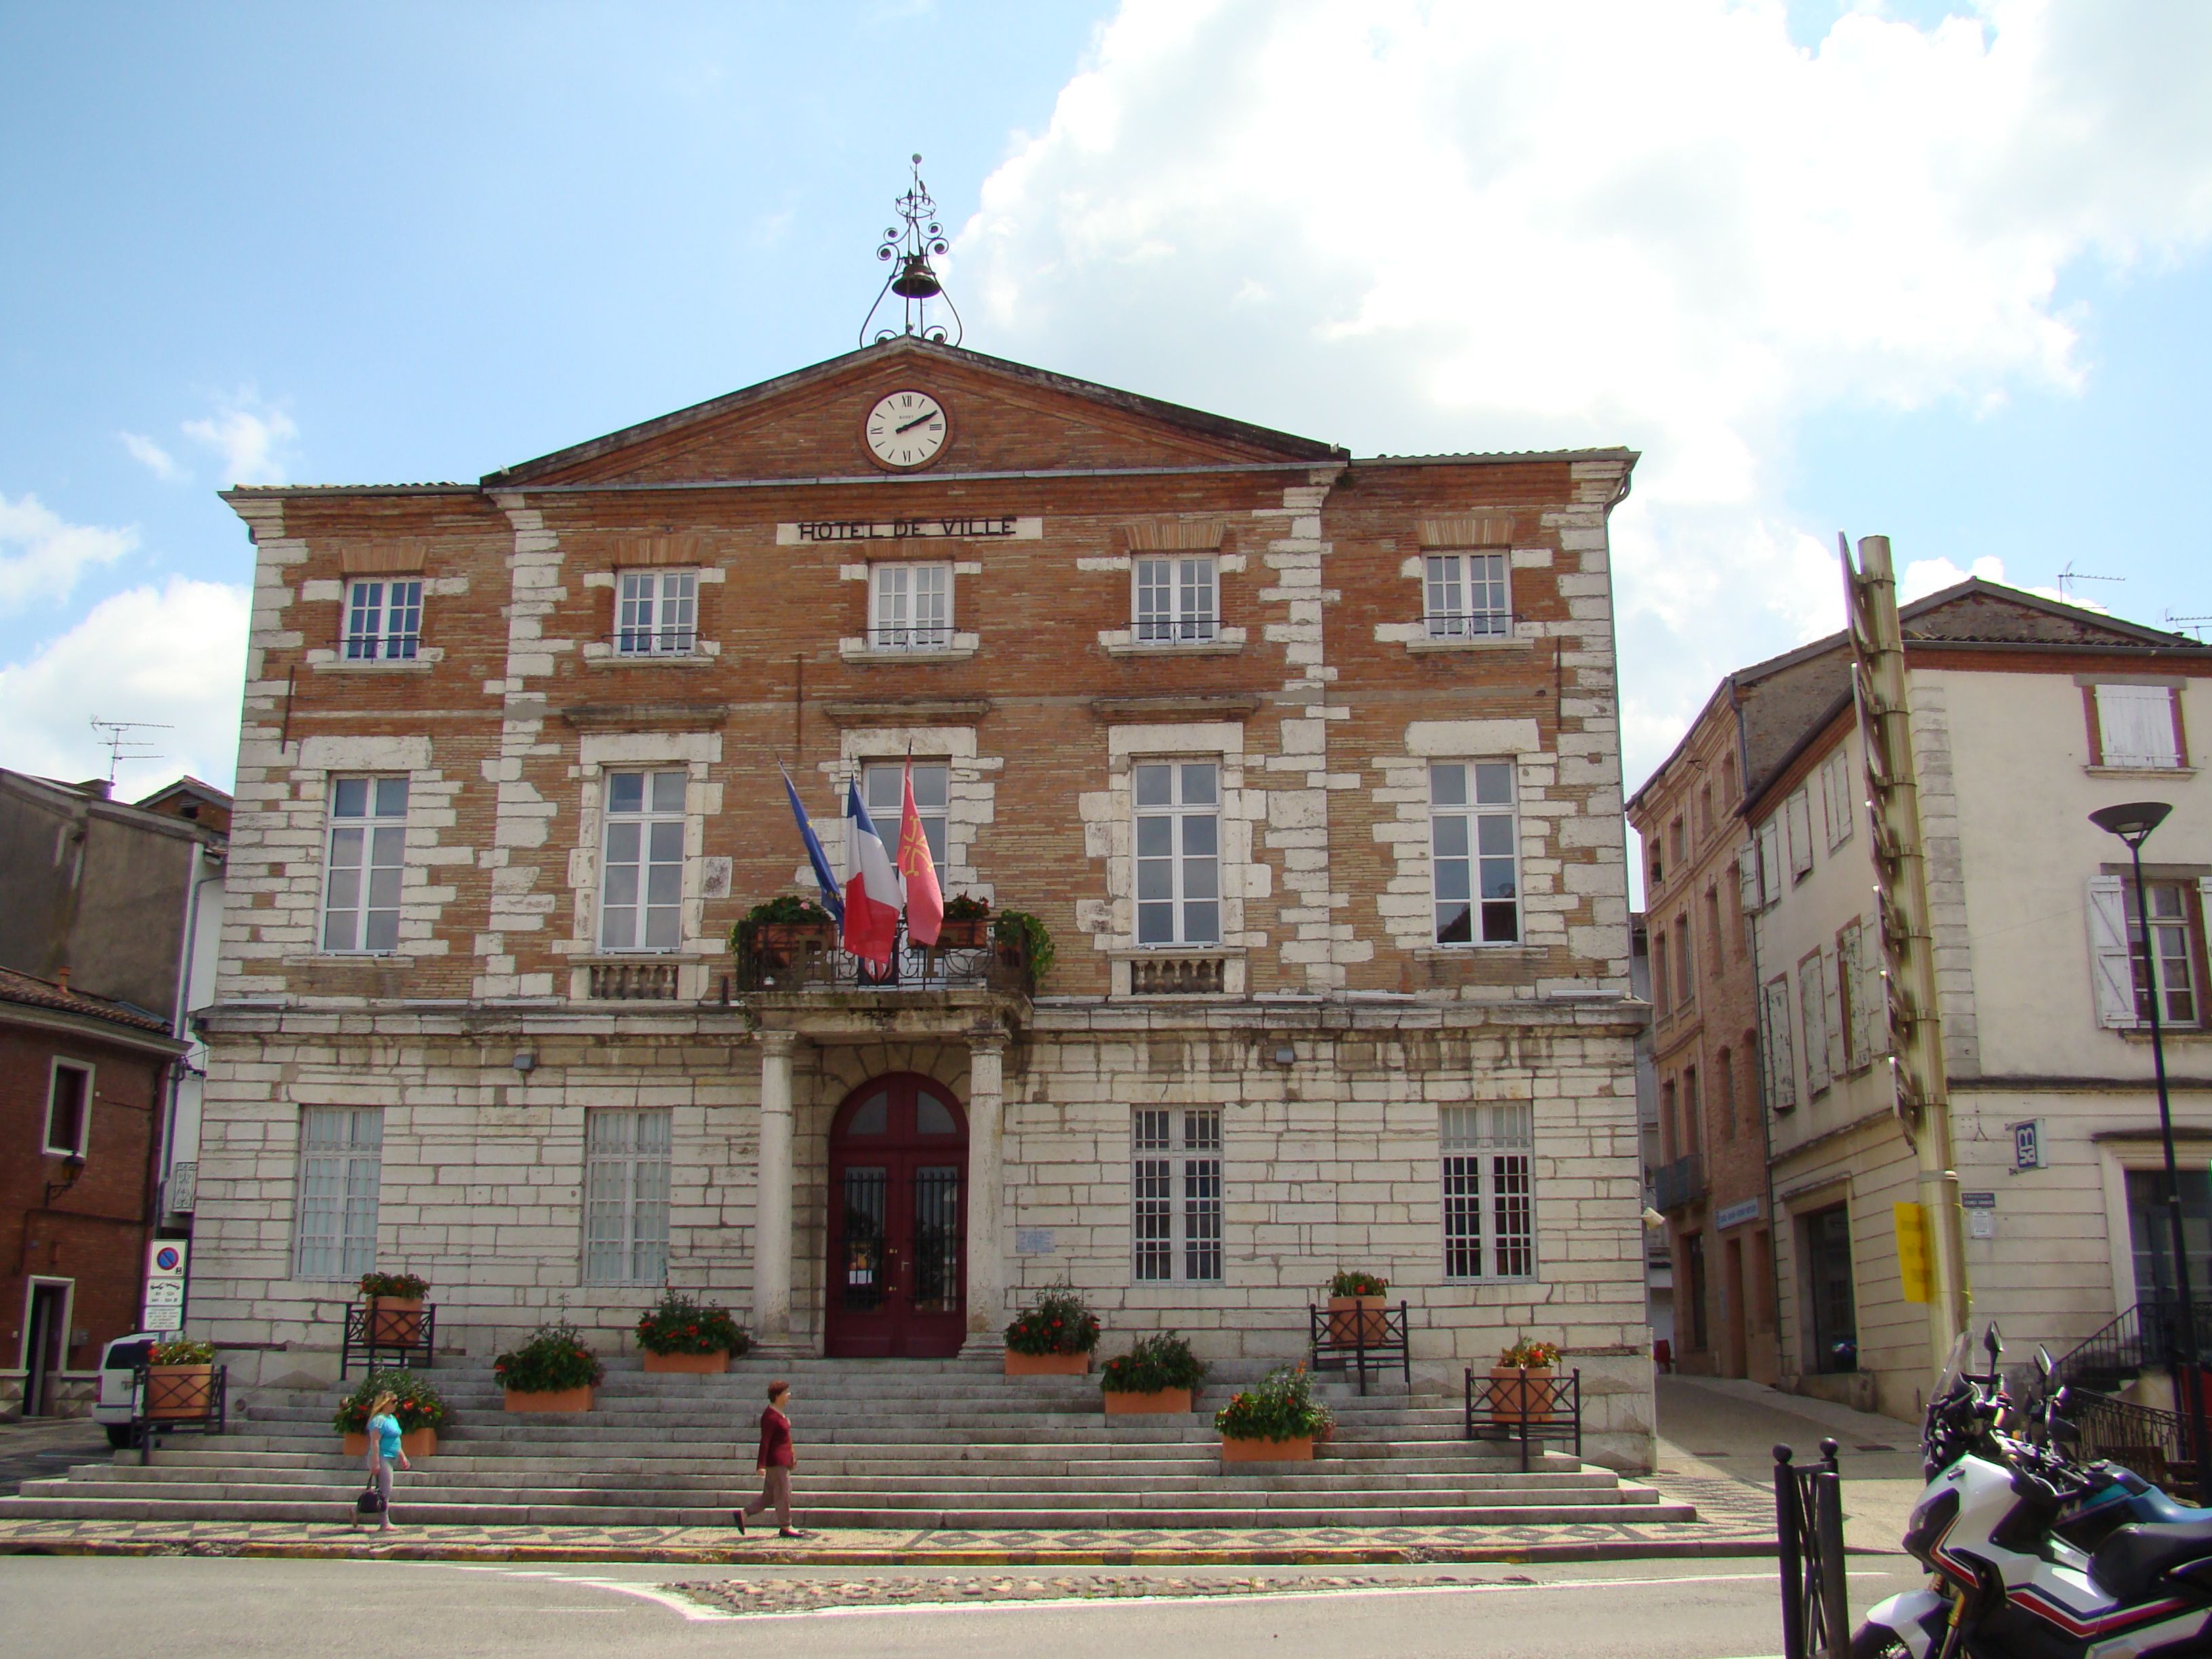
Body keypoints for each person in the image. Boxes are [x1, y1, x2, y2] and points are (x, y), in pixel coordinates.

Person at [735, 1379, 807, 1538]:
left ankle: (744, 1514)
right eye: (786, 1393)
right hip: (776, 1462)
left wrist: (792, 1455)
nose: (789, 1395)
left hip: (783, 1460)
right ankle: (786, 1526)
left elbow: (786, 1438)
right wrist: (760, 1465)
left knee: (769, 1496)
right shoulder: (770, 1416)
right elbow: (765, 1442)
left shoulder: (780, 1414)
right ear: (777, 1396)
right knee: (784, 1493)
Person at [359, 1390, 410, 1532]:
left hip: (391, 1456)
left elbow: (396, 1439)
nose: (396, 1404)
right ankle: (384, 1523)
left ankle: (356, 1511)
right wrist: (375, 1463)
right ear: (385, 1403)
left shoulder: (392, 1419)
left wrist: (402, 1456)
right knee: (385, 1491)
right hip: (381, 1457)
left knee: (382, 1491)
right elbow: (375, 1442)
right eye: (393, 1401)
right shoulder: (378, 1421)